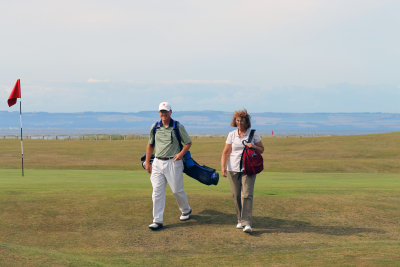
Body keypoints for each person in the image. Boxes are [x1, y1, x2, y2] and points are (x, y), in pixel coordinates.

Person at [145, 102, 192, 230]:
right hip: (157, 163)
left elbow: (188, 143)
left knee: (177, 190)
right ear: (159, 113)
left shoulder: (177, 126)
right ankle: (157, 220)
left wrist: (181, 154)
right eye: (161, 111)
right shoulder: (155, 127)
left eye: (166, 111)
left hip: (173, 162)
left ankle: (186, 210)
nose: (163, 114)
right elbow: (150, 145)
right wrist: (148, 162)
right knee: (157, 192)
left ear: (170, 112)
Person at [221, 109, 264, 233]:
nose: (239, 123)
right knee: (236, 195)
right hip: (232, 169)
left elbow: (262, 149)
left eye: (242, 121)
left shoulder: (253, 134)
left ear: (247, 122)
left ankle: (247, 223)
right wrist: (223, 167)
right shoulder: (232, 134)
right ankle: (240, 219)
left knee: (246, 195)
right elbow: (225, 152)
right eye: (237, 120)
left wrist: (254, 146)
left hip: (248, 169)